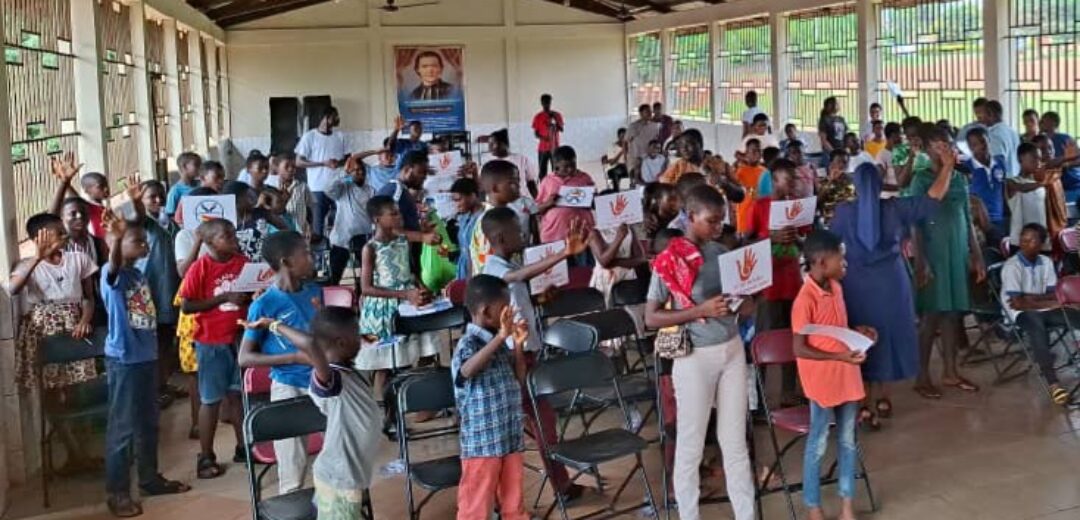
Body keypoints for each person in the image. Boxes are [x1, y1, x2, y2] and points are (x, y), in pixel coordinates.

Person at [644, 185, 755, 520]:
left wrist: (746, 300)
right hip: (694, 358)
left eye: (722, 220)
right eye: (712, 221)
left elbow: (744, 305)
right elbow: (651, 318)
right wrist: (699, 310)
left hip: (732, 349)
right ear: (691, 217)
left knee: (735, 444)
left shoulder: (722, 253)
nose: (718, 227)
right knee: (690, 447)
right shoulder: (669, 259)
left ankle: (746, 515)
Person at [480, 207, 588, 503]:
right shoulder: (496, 268)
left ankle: (554, 487)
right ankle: (557, 487)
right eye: (518, 230)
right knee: (542, 423)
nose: (524, 234)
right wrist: (564, 252)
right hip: (515, 357)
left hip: (525, 353)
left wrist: (540, 299)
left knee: (539, 423)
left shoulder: (505, 265)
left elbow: (517, 295)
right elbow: (515, 277)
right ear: (501, 236)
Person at [830, 161, 950, 424]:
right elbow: (934, 197)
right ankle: (884, 397)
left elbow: (830, 245)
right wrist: (948, 166)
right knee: (888, 336)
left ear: (856, 186)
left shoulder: (844, 212)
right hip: (891, 285)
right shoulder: (896, 208)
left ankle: (863, 402)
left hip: (855, 285)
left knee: (859, 336)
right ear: (880, 183)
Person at [240, 307, 381, 520]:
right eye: (356, 334)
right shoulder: (330, 380)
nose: (360, 339)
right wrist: (273, 324)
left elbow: (315, 349)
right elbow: (311, 345)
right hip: (339, 478)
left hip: (349, 475)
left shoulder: (346, 371)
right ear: (342, 342)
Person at [100, 211, 190, 516]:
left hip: (146, 358)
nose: (146, 247)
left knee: (149, 423)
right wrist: (115, 240)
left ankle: (149, 479)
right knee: (123, 429)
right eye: (138, 242)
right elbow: (113, 265)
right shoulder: (112, 275)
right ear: (116, 243)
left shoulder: (138, 273)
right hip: (124, 361)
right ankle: (118, 492)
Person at [7, 213, 100, 475]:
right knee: (50, 393)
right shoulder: (28, 264)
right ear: (38, 238)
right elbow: (12, 290)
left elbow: (88, 297)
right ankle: (75, 454)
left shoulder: (77, 258)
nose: (62, 236)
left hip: (73, 329)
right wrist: (38, 257)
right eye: (55, 233)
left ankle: (80, 452)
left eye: (61, 232)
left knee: (76, 392)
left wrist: (85, 319)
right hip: (44, 333)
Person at [791, 229, 874, 520]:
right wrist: (838, 355)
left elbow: (837, 329)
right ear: (822, 262)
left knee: (848, 440)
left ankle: (847, 506)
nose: (845, 263)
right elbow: (799, 348)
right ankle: (814, 507)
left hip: (846, 374)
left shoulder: (837, 288)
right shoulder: (804, 300)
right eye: (841, 258)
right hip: (822, 381)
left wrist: (858, 335)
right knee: (818, 443)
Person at [238, 231, 322, 495]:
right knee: (292, 461)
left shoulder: (315, 291)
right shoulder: (264, 304)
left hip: (321, 381)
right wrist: (294, 357)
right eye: (305, 254)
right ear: (286, 262)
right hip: (287, 384)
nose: (311, 258)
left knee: (337, 450)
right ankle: (292, 502)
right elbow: (245, 357)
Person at [910, 123, 984, 399]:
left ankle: (951, 372)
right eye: (940, 145)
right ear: (929, 149)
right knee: (932, 316)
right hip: (933, 253)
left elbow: (967, 217)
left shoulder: (959, 179)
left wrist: (976, 256)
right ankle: (922, 376)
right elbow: (915, 224)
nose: (947, 149)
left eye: (949, 144)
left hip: (957, 253)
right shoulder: (921, 179)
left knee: (953, 314)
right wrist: (921, 262)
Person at [452, 275, 530, 520]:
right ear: (486, 313)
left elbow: (519, 379)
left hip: (509, 437)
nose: (509, 315)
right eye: (504, 310)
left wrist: (517, 346)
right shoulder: (469, 343)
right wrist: (500, 337)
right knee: (476, 504)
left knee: (513, 499)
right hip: (482, 445)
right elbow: (466, 371)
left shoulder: (500, 346)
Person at [179, 218, 251, 479]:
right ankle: (206, 455)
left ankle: (244, 447)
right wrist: (223, 297)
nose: (233, 240)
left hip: (238, 339)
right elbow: (187, 306)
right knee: (211, 399)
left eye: (233, 235)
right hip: (211, 341)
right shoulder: (201, 267)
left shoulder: (242, 264)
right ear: (209, 242)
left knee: (238, 396)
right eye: (226, 236)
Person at [355, 196, 438, 379]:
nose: (399, 216)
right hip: (384, 309)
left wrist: (420, 287)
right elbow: (366, 288)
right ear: (377, 220)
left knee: (421, 352)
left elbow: (410, 270)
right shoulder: (370, 248)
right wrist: (404, 294)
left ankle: (416, 390)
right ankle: (387, 403)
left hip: (410, 301)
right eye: (393, 214)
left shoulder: (403, 239)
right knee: (386, 365)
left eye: (398, 212)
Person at [747, 160, 809, 405]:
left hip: (792, 280)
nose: (793, 183)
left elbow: (806, 242)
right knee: (763, 337)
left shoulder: (796, 207)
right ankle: (758, 399)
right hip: (768, 284)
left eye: (795, 179)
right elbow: (746, 244)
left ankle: (788, 391)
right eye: (788, 179)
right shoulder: (760, 207)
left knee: (793, 335)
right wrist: (771, 237)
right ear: (774, 180)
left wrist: (799, 238)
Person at [1003, 223, 1075, 406]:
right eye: (1023, 240)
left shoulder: (1046, 262)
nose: (1025, 244)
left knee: (1073, 315)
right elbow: (1018, 303)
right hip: (1019, 314)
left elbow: (1054, 294)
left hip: (1045, 309)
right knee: (1036, 326)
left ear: (1042, 243)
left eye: (1031, 240)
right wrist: (1043, 300)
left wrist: (1033, 298)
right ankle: (1053, 384)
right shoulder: (1012, 266)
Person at [130, 180, 183, 409]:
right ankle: (153, 390)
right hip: (150, 288)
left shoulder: (169, 223)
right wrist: (134, 202)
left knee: (164, 340)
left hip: (169, 288)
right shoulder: (143, 224)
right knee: (150, 341)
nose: (158, 201)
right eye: (152, 197)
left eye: (161, 195)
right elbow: (136, 217)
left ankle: (163, 383)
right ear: (142, 200)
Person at [470, 160, 538, 275]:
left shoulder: (506, 214)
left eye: (518, 182)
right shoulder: (490, 221)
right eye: (512, 183)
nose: (518, 187)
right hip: (497, 285)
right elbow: (485, 263)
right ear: (495, 188)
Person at [295, 106, 347, 238]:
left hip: (338, 187)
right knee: (318, 228)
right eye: (334, 116)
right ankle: (320, 254)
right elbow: (299, 162)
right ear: (326, 118)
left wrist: (337, 163)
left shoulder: (340, 136)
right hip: (318, 189)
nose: (337, 119)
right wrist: (323, 163)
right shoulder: (310, 137)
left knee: (341, 225)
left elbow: (348, 159)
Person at [536, 146, 596, 258]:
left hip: (582, 235)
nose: (570, 169)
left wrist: (591, 199)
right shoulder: (547, 181)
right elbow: (536, 209)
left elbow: (594, 202)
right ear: (556, 166)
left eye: (573, 165)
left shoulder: (584, 178)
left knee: (583, 271)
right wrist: (548, 203)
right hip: (554, 237)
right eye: (566, 167)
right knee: (560, 271)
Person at [325, 154, 374, 286]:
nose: (359, 173)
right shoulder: (342, 188)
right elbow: (328, 189)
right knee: (334, 277)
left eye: (361, 170)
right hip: (342, 239)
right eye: (355, 170)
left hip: (364, 239)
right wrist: (343, 173)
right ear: (349, 172)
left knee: (367, 276)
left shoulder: (370, 190)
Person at [963, 127, 1008, 245]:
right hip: (980, 224)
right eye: (974, 144)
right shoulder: (966, 168)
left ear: (988, 140)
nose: (981, 146)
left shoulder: (1000, 162)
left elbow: (1003, 189)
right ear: (970, 147)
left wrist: (1008, 214)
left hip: (1000, 219)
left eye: (983, 141)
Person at [1008, 143, 1053, 250]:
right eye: (1034, 158)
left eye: (1039, 158)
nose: (1038, 162)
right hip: (1020, 242)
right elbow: (1022, 188)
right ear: (1020, 158)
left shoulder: (1041, 185)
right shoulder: (1012, 182)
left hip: (1041, 240)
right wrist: (1043, 183)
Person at [269, 151, 314, 239]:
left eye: (293, 166)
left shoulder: (302, 187)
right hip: (280, 234)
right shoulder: (271, 187)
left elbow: (309, 209)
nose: (290, 169)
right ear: (277, 168)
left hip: (301, 233)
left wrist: (310, 226)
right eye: (286, 166)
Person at [483, 128, 538, 198]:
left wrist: (536, 201)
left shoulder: (522, 159)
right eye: (489, 144)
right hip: (500, 203)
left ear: (504, 144)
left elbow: (531, 183)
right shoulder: (488, 163)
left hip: (522, 200)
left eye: (493, 144)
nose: (489, 147)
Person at [1038, 111, 1080, 201]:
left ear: (1054, 123)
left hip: (1071, 184)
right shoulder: (1040, 140)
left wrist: (1066, 164)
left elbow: (1078, 159)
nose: (1041, 123)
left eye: (1044, 120)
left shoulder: (1065, 138)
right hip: (1053, 186)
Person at [450, 178, 483, 280]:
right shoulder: (464, 218)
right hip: (463, 269)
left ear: (472, 195)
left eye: (459, 200)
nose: (456, 205)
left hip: (476, 270)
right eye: (454, 201)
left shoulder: (482, 219)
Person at [733, 139, 766, 233]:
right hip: (745, 219)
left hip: (761, 219)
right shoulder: (740, 171)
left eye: (759, 151)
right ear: (746, 153)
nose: (757, 153)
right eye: (754, 151)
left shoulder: (765, 171)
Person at [984, 100, 1021, 178]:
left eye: (984, 115)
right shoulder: (1012, 132)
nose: (982, 119)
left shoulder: (994, 135)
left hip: (1005, 184)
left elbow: (998, 164)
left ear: (991, 114)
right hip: (1016, 179)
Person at [532, 94, 563, 179]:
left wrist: (555, 119)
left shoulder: (557, 115)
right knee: (542, 172)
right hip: (542, 149)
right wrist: (544, 138)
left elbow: (561, 129)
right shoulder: (538, 117)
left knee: (556, 171)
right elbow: (536, 133)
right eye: (545, 102)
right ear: (541, 103)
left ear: (550, 102)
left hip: (555, 148)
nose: (547, 104)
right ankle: (543, 189)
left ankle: (555, 187)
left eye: (548, 102)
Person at [166, 152, 202, 219]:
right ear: (184, 166)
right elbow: (170, 214)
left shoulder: (201, 185)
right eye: (196, 165)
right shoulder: (175, 190)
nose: (200, 168)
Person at [626, 104, 660, 175]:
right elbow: (626, 141)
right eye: (647, 111)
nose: (650, 113)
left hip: (649, 157)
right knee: (636, 178)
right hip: (636, 158)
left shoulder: (654, 126)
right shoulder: (633, 126)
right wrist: (625, 157)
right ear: (641, 114)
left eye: (650, 111)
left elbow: (656, 141)